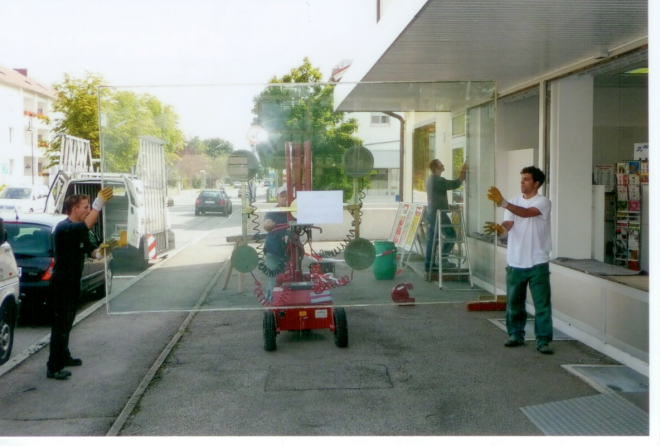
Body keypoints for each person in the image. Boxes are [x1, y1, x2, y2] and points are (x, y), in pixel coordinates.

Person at [46, 187, 115, 379]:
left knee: (67, 322)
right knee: (60, 325)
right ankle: (53, 367)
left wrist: (107, 248)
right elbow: (85, 226)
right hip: (61, 284)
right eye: (85, 207)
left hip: (73, 283)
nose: (87, 210)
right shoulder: (65, 227)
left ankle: (64, 355)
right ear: (75, 209)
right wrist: (98, 204)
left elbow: (94, 253)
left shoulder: (80, 231)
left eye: (88, 207)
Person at [484, 166, 554, 354]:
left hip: (538, 260)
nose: (522, 182)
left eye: (526, 179)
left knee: (542, 305)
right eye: (521, 178)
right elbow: (509, 223)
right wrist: (501, 229)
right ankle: (515, 335)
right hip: (515, 260)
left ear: (536, 183)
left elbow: (525, 213)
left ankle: (543, 340)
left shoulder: (544, 202)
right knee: (514, 302)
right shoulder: (514, 202)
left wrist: (503, 203)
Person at [425, 158, 468, 272]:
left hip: (432, 212)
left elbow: (436, 197)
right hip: (438, 214)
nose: (443, 165)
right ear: (435, 168)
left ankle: (429, 265)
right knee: (451, 235)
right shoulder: (437, 180)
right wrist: (463, 171)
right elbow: (455, 184)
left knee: (432, 239)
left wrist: (448, 206)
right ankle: (443, 260)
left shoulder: (431, 179)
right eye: (440, 164)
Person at [262, 185, 289, 302]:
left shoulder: (295, 212)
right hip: (273, 252)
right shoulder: (273, 212)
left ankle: (281, 303)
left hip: (290, 254)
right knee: (275, 279)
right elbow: (266, 222)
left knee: (289, 280)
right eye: (282, 196)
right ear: (277, 198)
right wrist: (268, 224)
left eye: (287, 196)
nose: (285, 199)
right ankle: (270, 306)